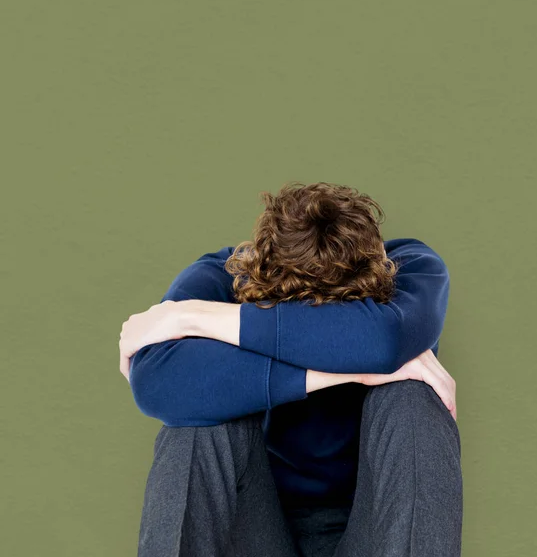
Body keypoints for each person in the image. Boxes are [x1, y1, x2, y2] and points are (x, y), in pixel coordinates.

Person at [119, 181, 463, 557]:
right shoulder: (226, 276)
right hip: (257, 525)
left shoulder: (411, 268)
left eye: (343, 313)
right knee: (195, 423)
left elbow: (384, 340)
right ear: (258, 270)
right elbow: (157, 383)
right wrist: (350, 369)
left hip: (376, 528)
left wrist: (196, 317)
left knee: (412, 398)